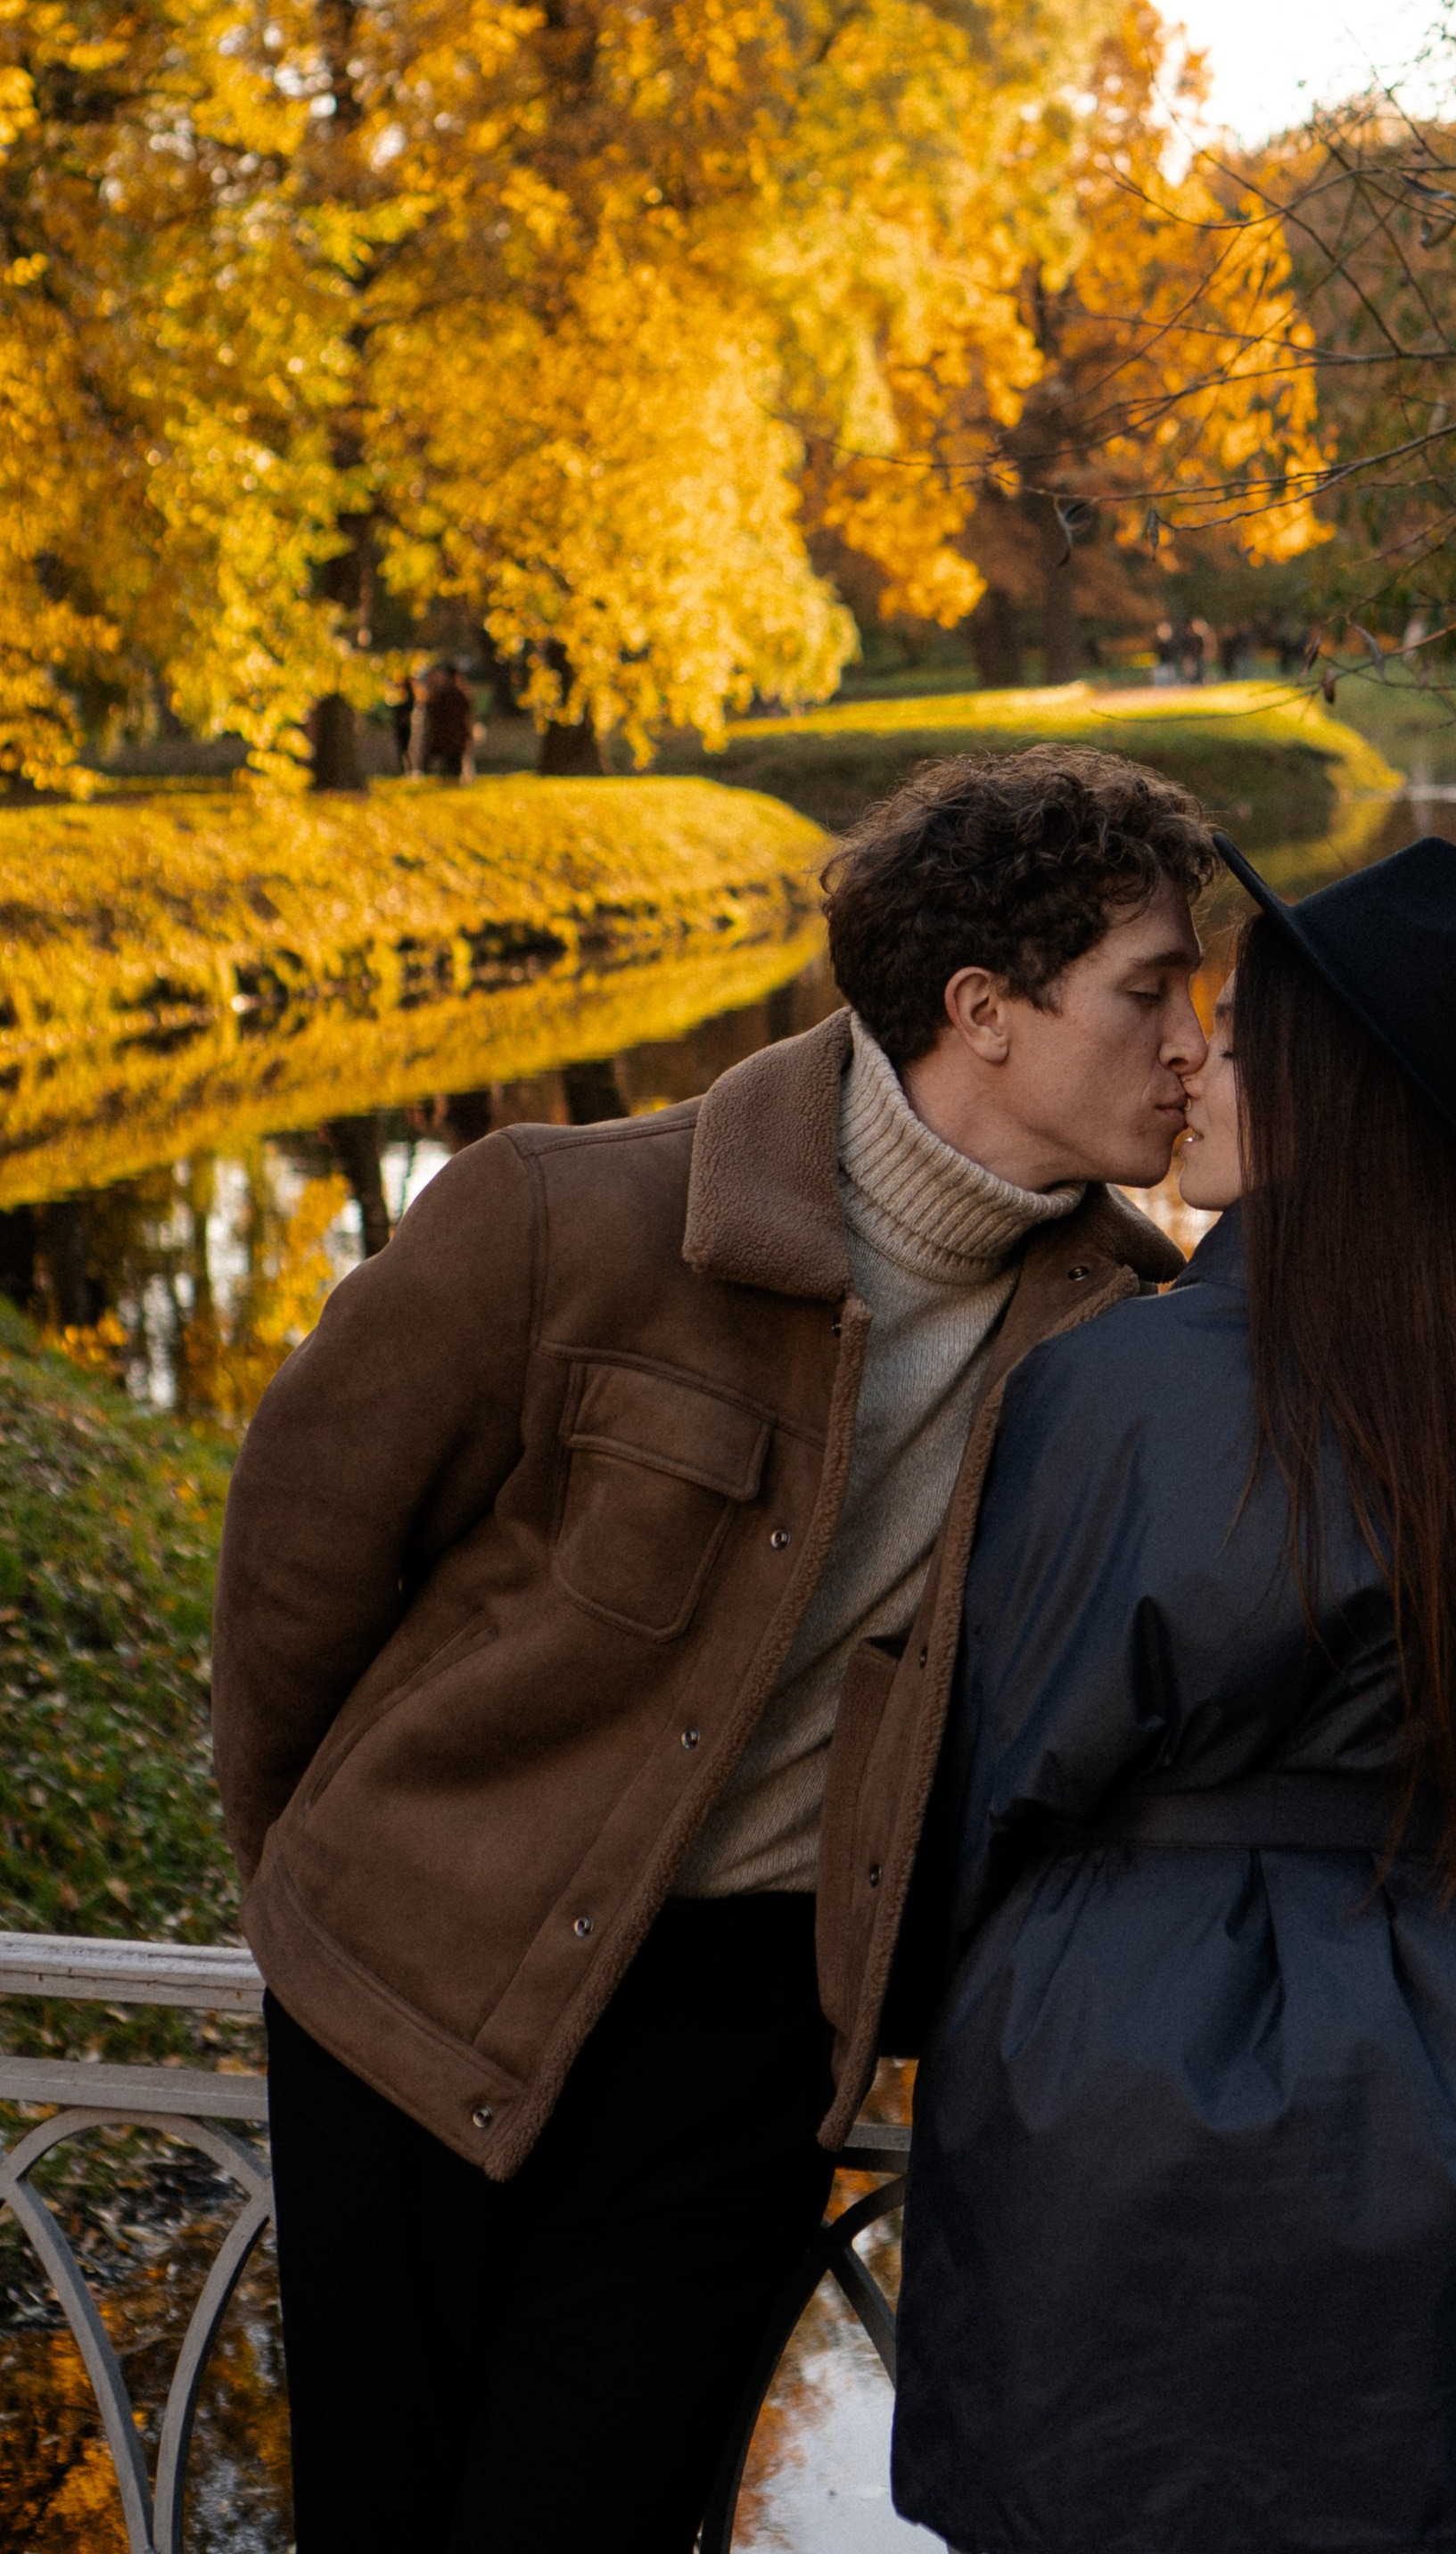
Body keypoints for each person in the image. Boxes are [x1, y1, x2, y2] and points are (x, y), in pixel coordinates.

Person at [210, 747, 1216, 2554]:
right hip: (417, 1971)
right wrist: (322, 1879)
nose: (1192, 1042)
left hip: (749, 2048)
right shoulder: (560, 1213)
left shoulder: (1126, 1343)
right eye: (1149, 990)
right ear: (980, 1010)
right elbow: (301, 1562)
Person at [891, 833, 1456, 2554]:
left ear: (1332, 1093)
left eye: (1237, 1032)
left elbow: (1000, 1761)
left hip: (1123, 2087)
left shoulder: (1123, 1389)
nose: (1193, 1057)